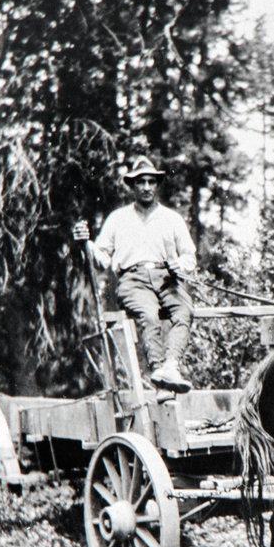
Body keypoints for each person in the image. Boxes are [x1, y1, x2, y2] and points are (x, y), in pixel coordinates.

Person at [73, 155, 196, 395]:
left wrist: (178, 265)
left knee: (185, 310)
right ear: (132, 186)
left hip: (167, 278)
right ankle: (159, 374)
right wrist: (85, 243)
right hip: (133, 280)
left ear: (157, 185)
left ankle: (171, 366)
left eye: (151, 182)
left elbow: (189, 257)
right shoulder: (118, 219)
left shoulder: (172, 219)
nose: (147, 187)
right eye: (141, 182)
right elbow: (102, 257)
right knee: (149, 315)